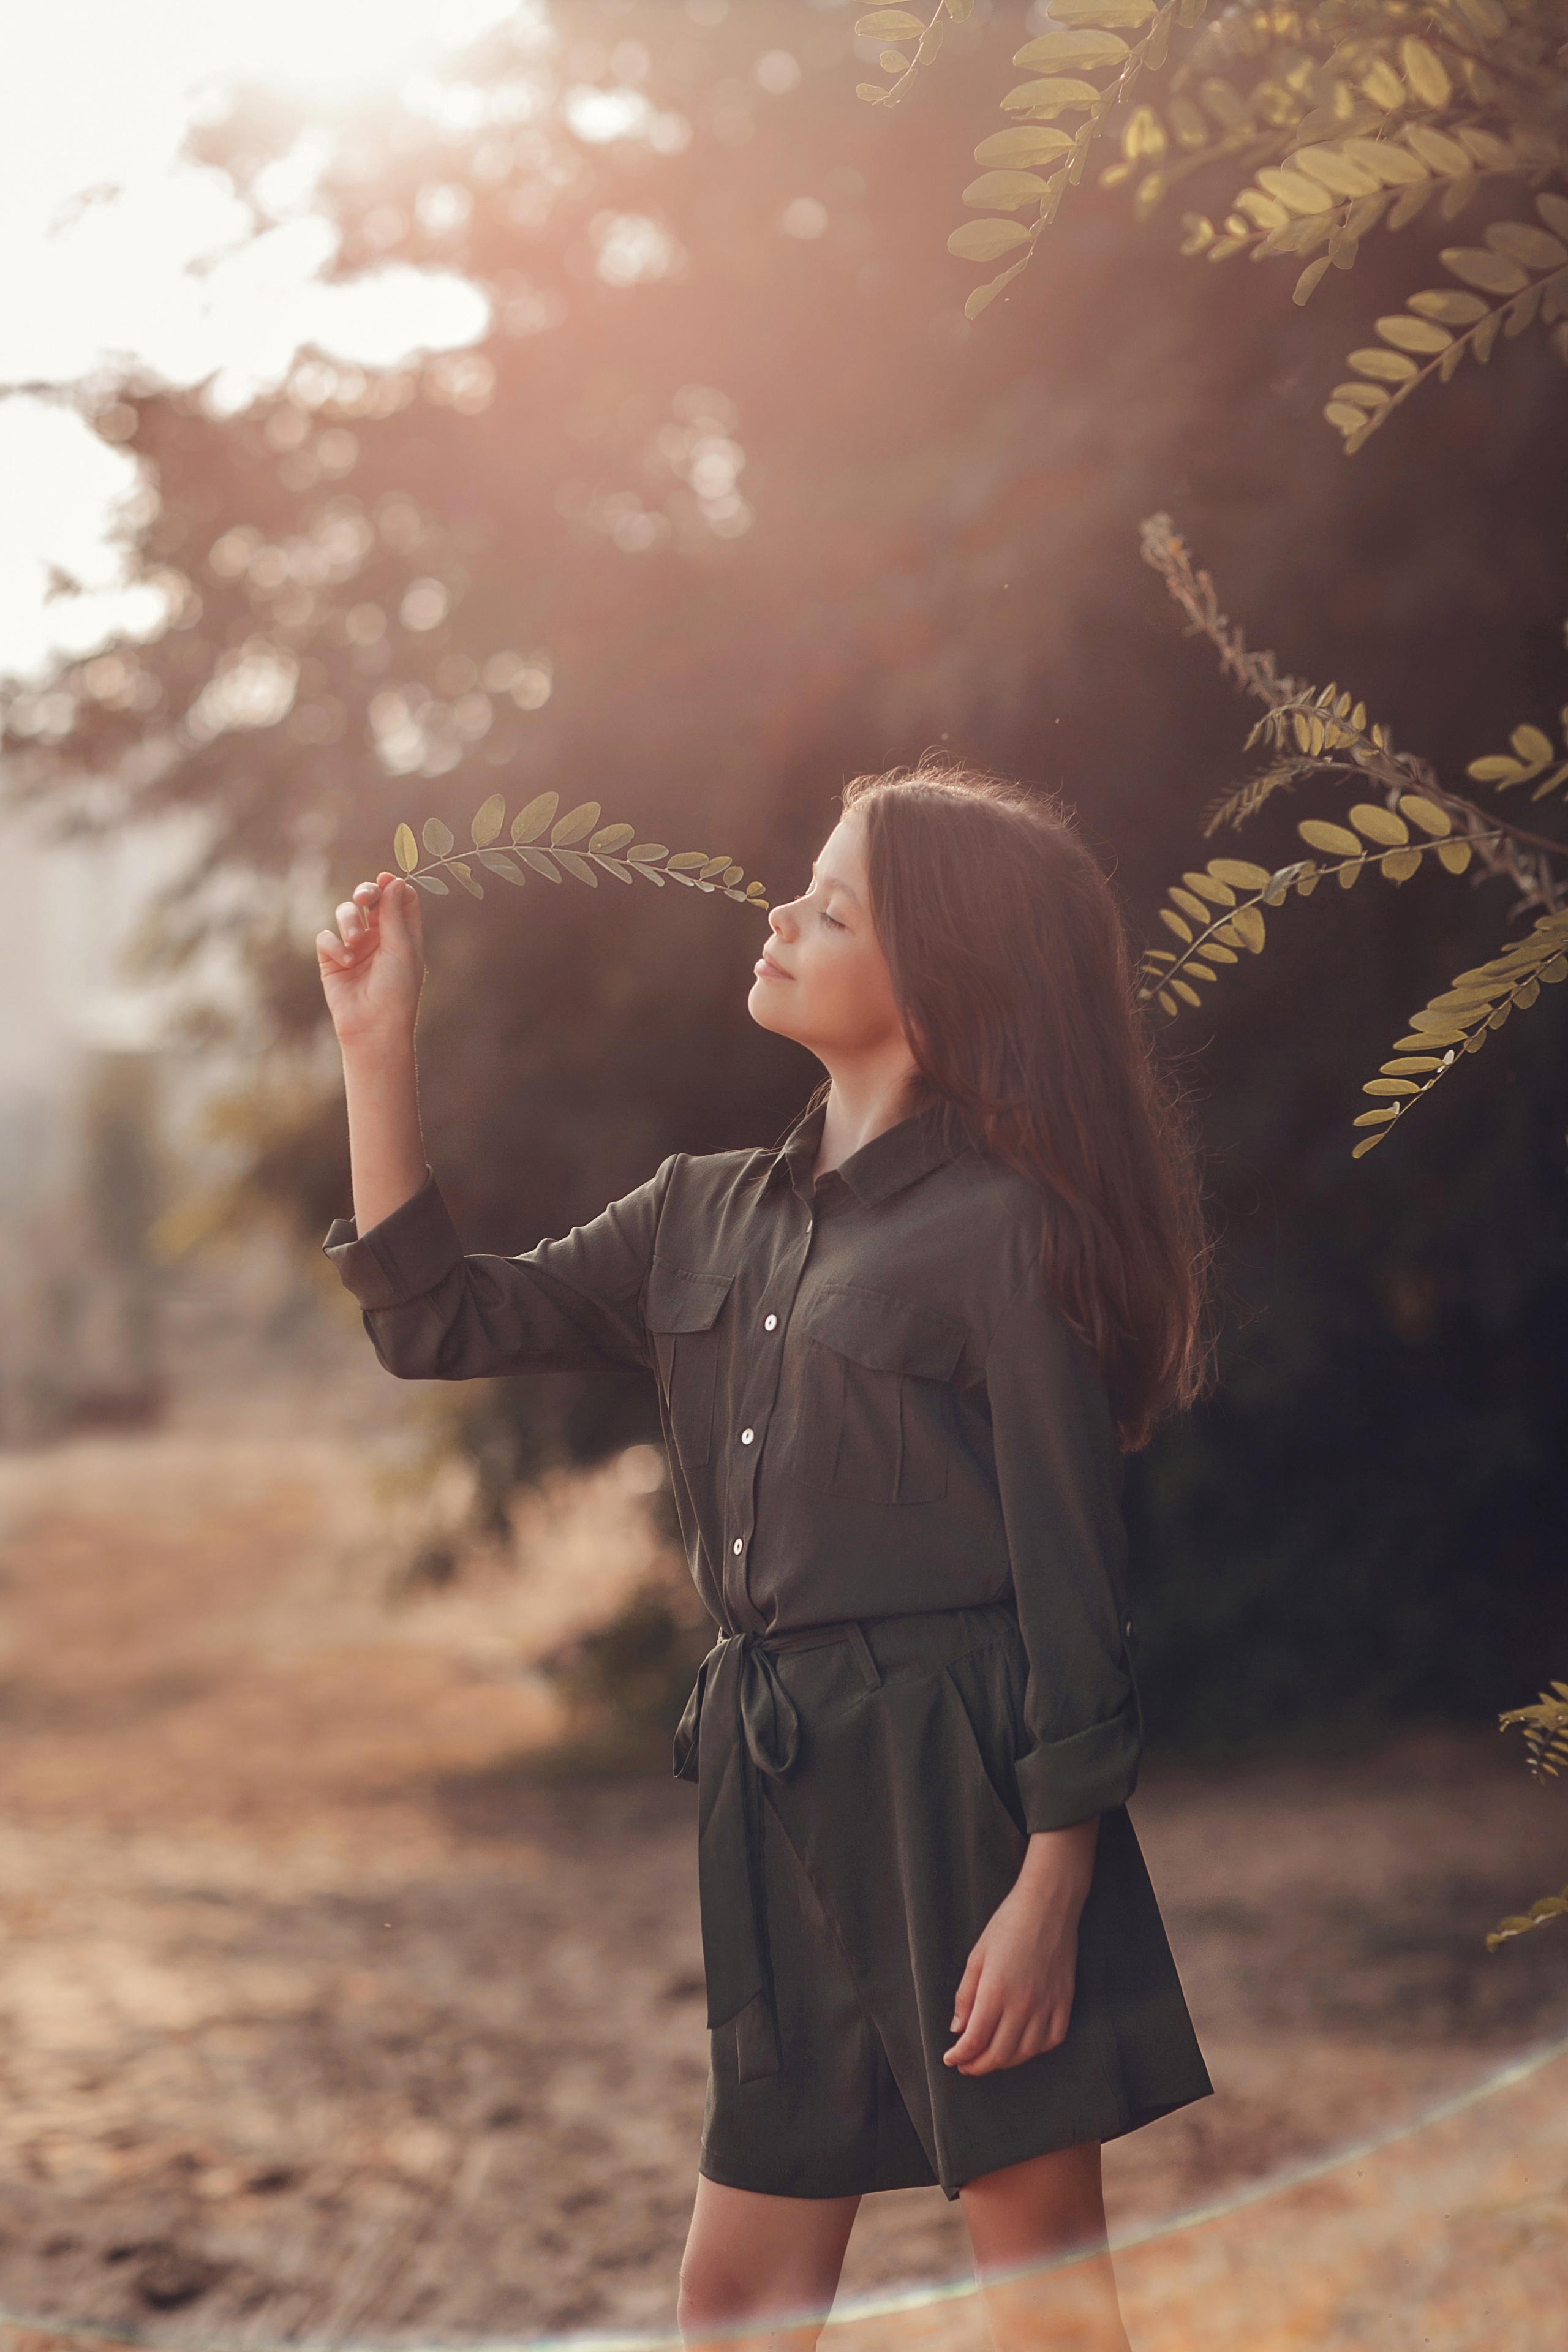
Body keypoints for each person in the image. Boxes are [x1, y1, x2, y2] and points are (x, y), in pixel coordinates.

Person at [316, 763, 1213, 2351]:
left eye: (834, 904)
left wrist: (1052, 1883)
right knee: (734, 2297)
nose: (781, 914)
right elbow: (438, 1320)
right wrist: (376, 1049)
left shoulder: (1011, 1231)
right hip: (773, 1790)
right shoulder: (699, 1217)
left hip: (966, 1792)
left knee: (1043, 2287)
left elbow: (1074, 1581)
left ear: (939, 983)